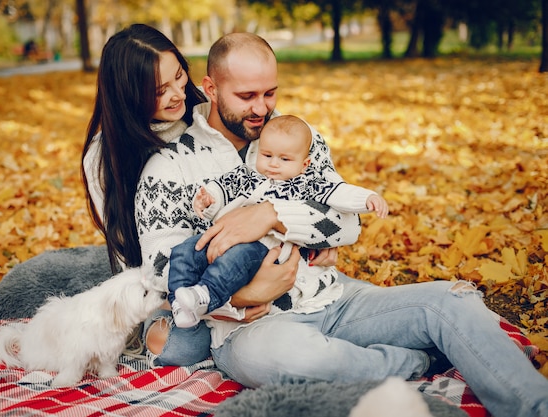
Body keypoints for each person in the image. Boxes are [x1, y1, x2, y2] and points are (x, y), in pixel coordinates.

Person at [135, 32, 548, 417]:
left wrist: (274, 215)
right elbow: (162, 269)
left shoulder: (296, 135)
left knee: (451, 302)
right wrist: (242, 296)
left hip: (328, 295)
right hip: (251, 329)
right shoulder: (171, 165)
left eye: (271, 92)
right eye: (247, 96)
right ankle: (415, 361)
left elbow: (346, 225)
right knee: (294, 359)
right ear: (210, 89)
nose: (262, 108)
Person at [168, 114, 388, 328]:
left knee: (233, 261)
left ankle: (206, 295)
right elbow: (222, 188)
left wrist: (367, 198)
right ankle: (179, 300)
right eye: (267, 155)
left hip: (263, 247)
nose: (273, 164)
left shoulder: (306, 184)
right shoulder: (248, 176)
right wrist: (209, 199)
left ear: (304, 164)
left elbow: (338, 193)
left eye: (284, 159)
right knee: (184, 251)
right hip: (224, 235)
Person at [81, 23, 212, 364]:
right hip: (164, 283)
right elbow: (131, 253)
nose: (178, 95)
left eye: (179, 76)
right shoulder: (102, 158)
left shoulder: (205, 120)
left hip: (230, 259)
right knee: (170, 344)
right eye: (158, 91)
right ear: (127, 96)